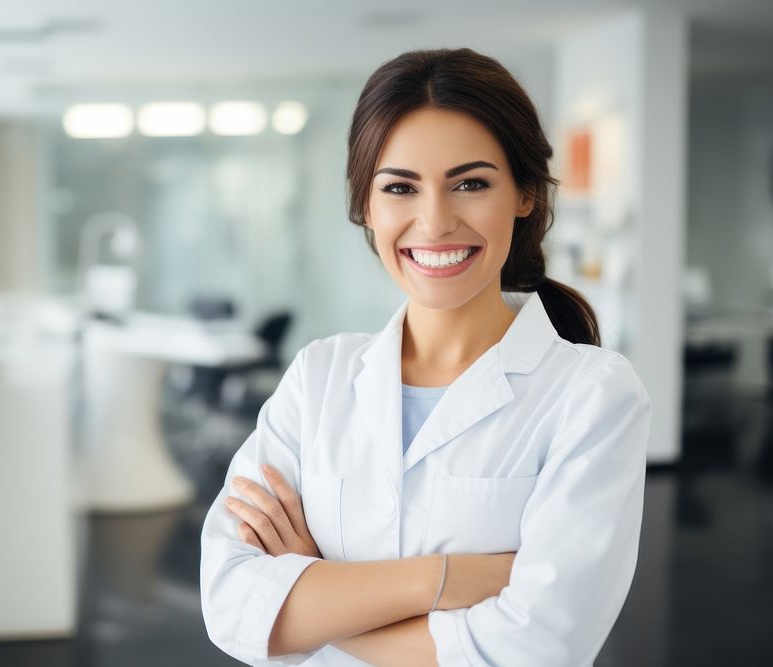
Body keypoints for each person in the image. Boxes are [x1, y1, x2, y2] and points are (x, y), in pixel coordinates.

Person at [199, 48, 652, 667]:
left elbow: (536, 649)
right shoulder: (318, 377)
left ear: (523, 194)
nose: (434, 222)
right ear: (367, 204)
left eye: (470, 183)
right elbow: (230, 606)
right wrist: (438, 579)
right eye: (400, 187)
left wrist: (313, 589)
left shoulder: (593, 395)